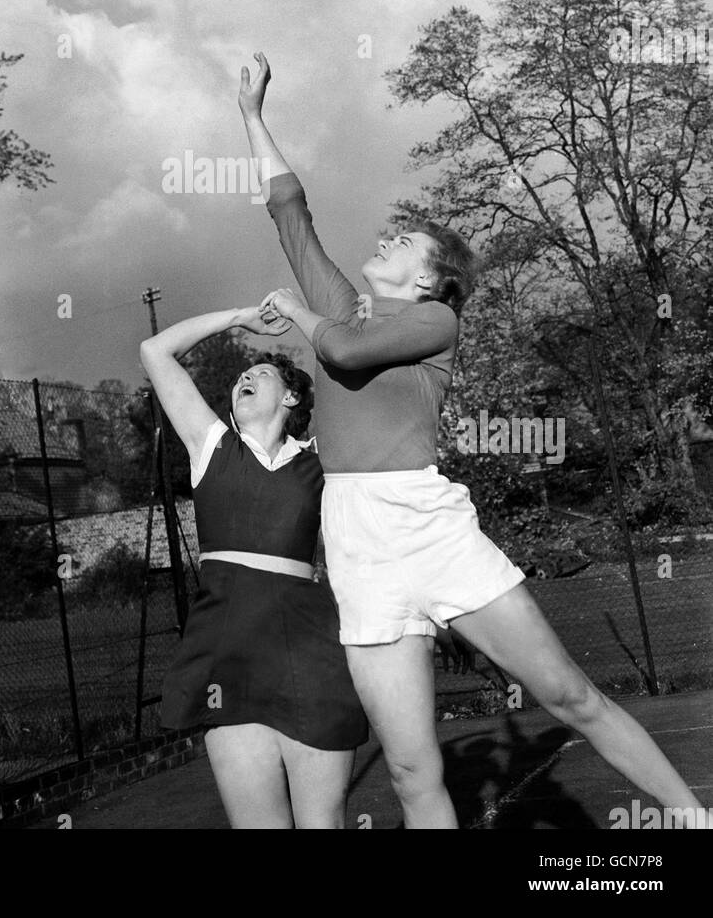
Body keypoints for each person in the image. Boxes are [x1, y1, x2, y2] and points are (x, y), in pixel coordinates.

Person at [238, 50, 705, 830]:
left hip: (428, 524)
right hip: (356, 540)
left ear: (428, 279)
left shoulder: (433, 321)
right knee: (414, 767)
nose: (385, 238)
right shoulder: (345, 308)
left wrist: (301, 313)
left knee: (567, 696)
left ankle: (692, 819)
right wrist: (252, 116)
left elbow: (341, 353)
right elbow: (291, 214)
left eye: (403, 240)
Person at [140, 304, 368, 829]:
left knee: (322, 824)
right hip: (227, 651)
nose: (244, 376)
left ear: (290, 397)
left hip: (310, 649)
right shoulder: (212, 446)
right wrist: (240, 317)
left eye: (260, 374)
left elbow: (358, 380)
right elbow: (156, 352)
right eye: (241, 375)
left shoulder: (322, 457)